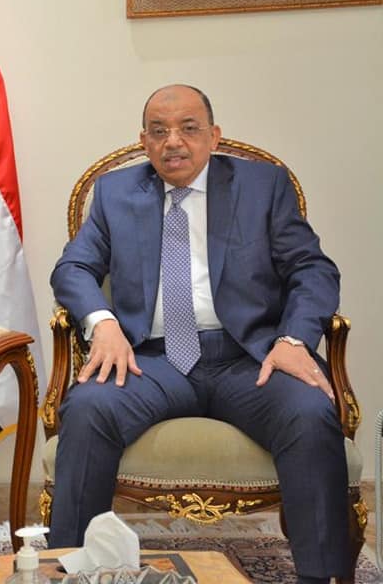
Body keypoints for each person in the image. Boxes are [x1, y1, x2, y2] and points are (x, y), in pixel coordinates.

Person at [47, 84, 348, 583]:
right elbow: (73, 268)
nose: (174, 141)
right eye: (159, 131)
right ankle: (72, 571)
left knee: (310, 411)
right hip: (150, 361)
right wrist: (103, 323)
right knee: (87, 409)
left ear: (214, 136)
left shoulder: (263, 186)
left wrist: (293, 340)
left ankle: (321, 578)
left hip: (249, 359)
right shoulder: (115, 192)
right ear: (144, 141)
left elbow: (312, 269)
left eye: (189, 128)